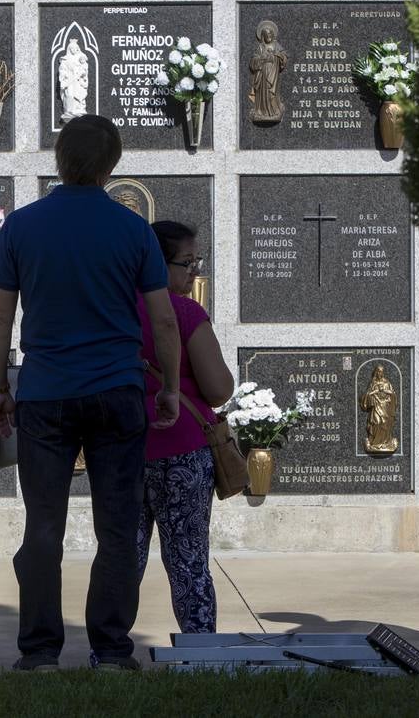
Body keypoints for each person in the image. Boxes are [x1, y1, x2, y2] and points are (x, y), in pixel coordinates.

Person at [0, 114, 184, 671]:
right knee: (118, 525)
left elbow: (0, 319)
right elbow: (164, 322)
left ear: (58, 157)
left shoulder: (22, 227)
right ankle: (112, 650)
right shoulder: (132, 231)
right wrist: (168, 386)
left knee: (43, 524)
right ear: (112, 165)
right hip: (119, 389)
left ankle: (41, 651)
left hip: (46, 392)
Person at [135, 221, 233, 635]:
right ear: (158, 264)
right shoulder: (185, 312)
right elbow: (218, 389)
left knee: (123, 558)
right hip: (183, 454)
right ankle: (200, 649)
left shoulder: (113, 308)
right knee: (188, 557)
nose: (194, 272)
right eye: (186, 263)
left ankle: (108, 650)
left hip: (124, 450)